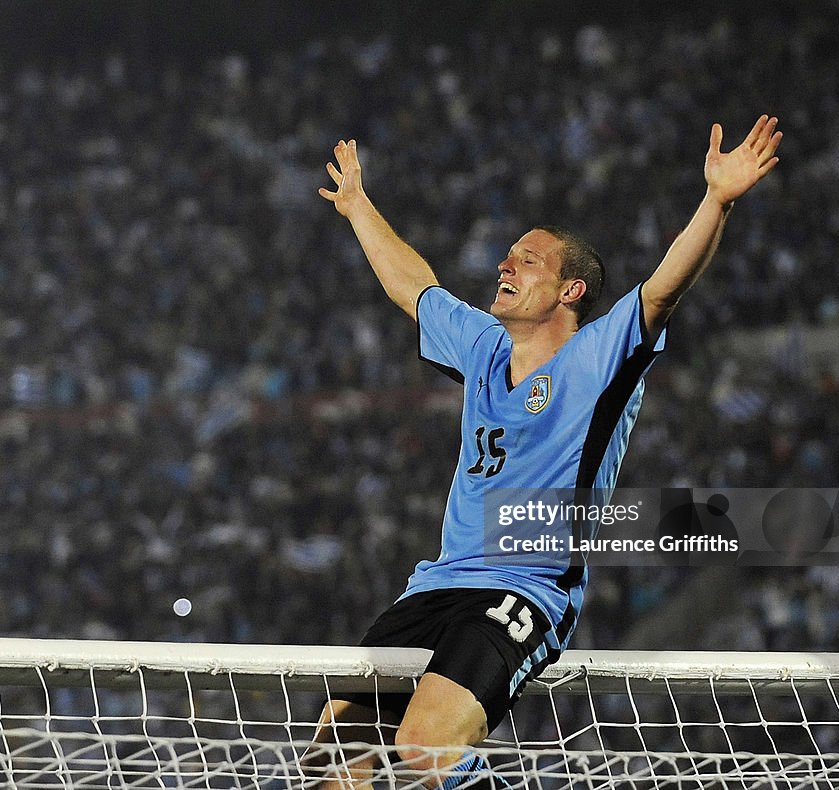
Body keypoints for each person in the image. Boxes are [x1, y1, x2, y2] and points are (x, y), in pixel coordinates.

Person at [302, 116, 782, 788]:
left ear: (570, 291)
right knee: (331, 756)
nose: (505, 263)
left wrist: (717, 200)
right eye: (508, 255)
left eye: (528, 259)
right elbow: (415, 287)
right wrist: (357, 207)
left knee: (421, 751)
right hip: (436, 583)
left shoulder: (597, 356)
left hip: (521, 590)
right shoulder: (481, 345)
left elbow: (665, 288)